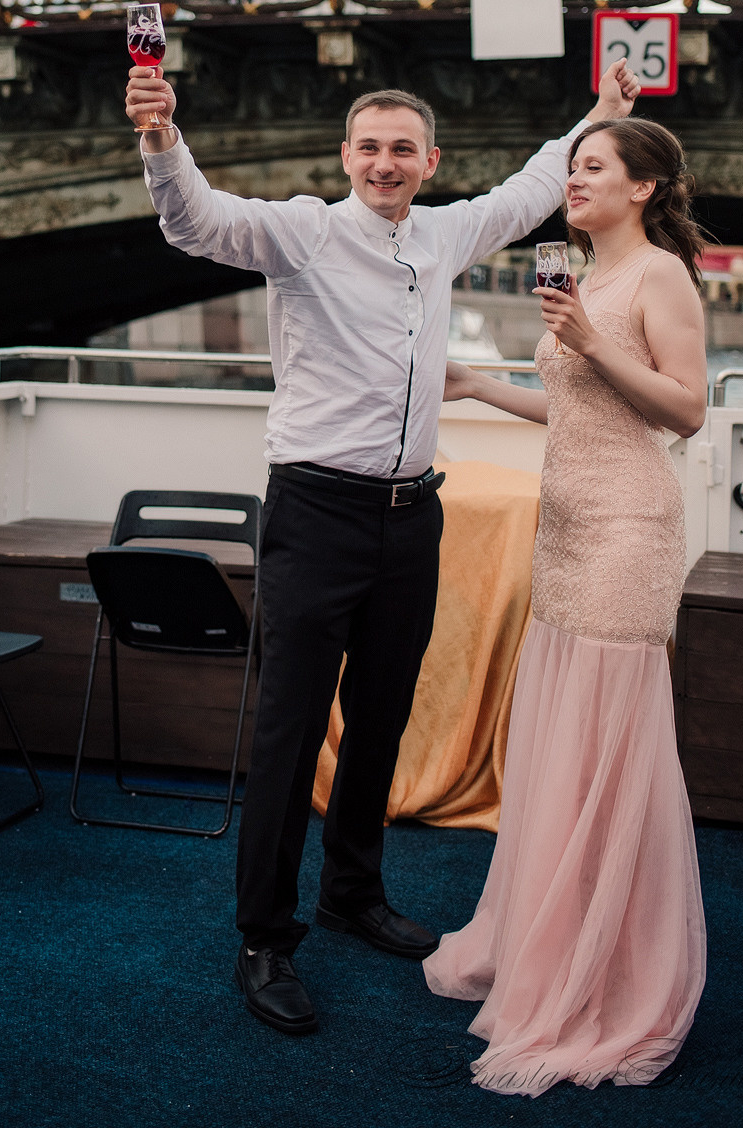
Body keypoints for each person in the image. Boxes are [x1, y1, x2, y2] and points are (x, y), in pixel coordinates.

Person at [124, 53, 641, 1037]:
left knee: (380, 716)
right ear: (345, 155)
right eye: (368, 147)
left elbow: (532, 186)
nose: (383, 163)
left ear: (427, 159)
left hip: (411, 517)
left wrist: (601, 111)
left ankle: (350, 894)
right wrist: (159, 135)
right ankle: (262, 939)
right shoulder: (302, 232)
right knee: (286, 731)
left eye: (401, 149)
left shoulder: (444, 236)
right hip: (314, 515)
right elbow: (194, 219)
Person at [423, 117, 708, 1095]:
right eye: (571, 169)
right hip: (566, 531)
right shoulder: (577, 282)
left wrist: (588, 338)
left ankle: (609, 975)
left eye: (590, 169)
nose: (571, 182)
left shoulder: (658, 276)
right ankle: (553, 942)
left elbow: (682, 408)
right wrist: (478, 386)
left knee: (607, 752)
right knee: (562, 748)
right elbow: (577, 404)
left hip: (628, 532)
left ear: (640, 187)